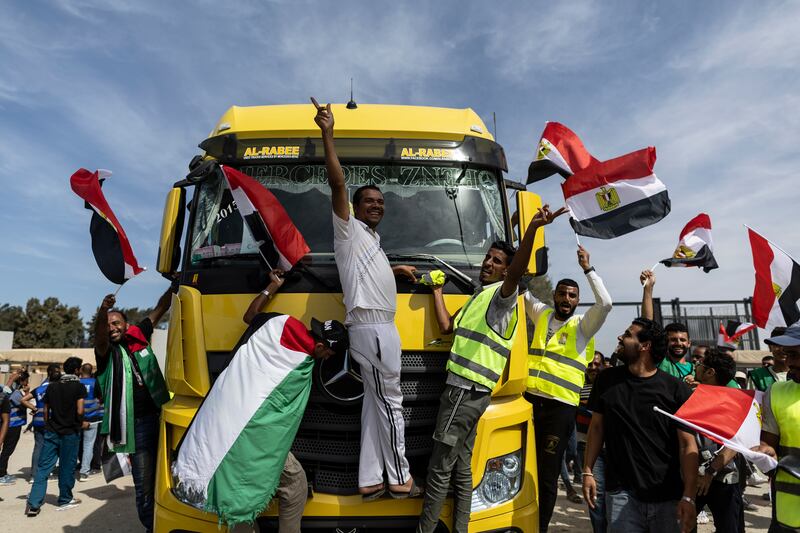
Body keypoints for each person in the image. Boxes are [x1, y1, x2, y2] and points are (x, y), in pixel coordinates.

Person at [417, 205, 566, 533]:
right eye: (488, 258)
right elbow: (446, 328)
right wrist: (437, 290)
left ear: (505, 271)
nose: (489, 263)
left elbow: (516, 273)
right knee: (462, 468)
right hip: (469, 392)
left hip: (464, 389)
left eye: (497, 261)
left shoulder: (502, 298)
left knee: (439, 468)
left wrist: (532, 229)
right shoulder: (478, 298)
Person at [174, 268, 347, 531]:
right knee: (293, 481)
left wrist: (272, 287)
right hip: (253, 434)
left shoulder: (278, 323)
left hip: (224, 416)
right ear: (323, 347)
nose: (327, 360)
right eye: (329, 355)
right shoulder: (302, 364)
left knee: (238, 474)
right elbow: (279, 412)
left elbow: (249, 315)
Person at [312, 97, 420, 498]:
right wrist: (328, 133)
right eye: (369, 202)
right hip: (372, 329)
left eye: (380, 202)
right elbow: (337, 182)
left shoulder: (372, 241)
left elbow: (365, 274)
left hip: (381, 327)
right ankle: (401, 478)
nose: (376, 206)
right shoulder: (348, 231)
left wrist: (396, 271)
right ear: (354, 209)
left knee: (375, 408)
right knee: (392, 402)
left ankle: (371, 479)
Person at [582, 318, 698, 533]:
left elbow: (687, 445)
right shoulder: (606, 380)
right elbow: (597, 428)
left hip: (667, 497)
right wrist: (587, 472)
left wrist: (688, 496)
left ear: (645, 346)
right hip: (620, 494)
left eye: (628, 334)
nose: (620, 338)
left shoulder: (675, 389)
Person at [525, 245, 612, 531]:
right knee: (523, 468)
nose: (566, 298)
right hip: (528, 403)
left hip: (559, 410)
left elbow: (606, 304)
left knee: (548, 476)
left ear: (578, 300)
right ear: (554, 295)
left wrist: (588, 269)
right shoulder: (542, 315)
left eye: (572, 295)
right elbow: (519, 291)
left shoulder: (582, 327)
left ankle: (539, 527)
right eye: (561, 293)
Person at [93, 285, 172, 531]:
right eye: (108, 324)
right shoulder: (105, 352)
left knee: (170, 477)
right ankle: (152, 527)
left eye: (116, 322)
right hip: (136, 426)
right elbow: (99, 336)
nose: (112, 327)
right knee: (145, 485)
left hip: (161, 418)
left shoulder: (139, 336)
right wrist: (103, 311)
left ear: (126, 325)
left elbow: (161, 308)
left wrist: (176, 282)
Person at [25, 356, 87, 516]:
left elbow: (46, 410)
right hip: (70, 433)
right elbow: (80, 410)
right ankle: (65, 498)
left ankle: (34, 503)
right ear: (76, 370)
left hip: (52, 431)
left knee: (43, 468)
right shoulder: (78, 387)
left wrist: (48, 425)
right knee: (67, 467)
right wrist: (81, 423)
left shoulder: (52, 387)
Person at [693, 348, 745, 532]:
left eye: (699, 364)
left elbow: (736, 444)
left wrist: (710, 472)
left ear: (710, 372)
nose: (695, 366)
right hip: (692, 479)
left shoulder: (734, 404)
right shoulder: (688, 397)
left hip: (725, 479)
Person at [755, 325, 800, 532]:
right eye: (788, 355)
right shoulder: (776, 392)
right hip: (787, 515)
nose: (789, 362)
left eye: (796, 355)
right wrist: (764, 452)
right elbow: (769, 444)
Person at [640, 270, 696, 387]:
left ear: (689, 343)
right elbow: (646, 325)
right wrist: (648, 288)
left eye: (683, 340)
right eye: (673, 339)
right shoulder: (659, 361)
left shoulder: (697, 370)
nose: (678, 343)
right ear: (665, 341)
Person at [576, 351, 606, 533]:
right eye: (590, 365)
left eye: (597, 364)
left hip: (606, 446)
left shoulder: (609, 385)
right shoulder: (580, 385)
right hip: (583, 443)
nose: (593, 368)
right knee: (595, 494)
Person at [26, 364, 61, 483]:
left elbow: (23, 399)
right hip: (50, 422)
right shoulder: (55, 388)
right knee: (51, 448)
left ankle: (33, 475)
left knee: (38, 447)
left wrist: (34, 408)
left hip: (37, 421)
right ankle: (47, 473)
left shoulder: (39, 389)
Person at [0, 370, 33, 484]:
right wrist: (28, 395)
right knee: (7, 450)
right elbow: (23, 403)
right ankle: (1, 474)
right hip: (13, 426)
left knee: (5, 450)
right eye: (27, 380)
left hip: (8, 425)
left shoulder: (11, 392)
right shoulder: (16, 394)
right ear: (22, 381)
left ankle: (3, 471)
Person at [78, 363, 103, 481]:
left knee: (77, 444)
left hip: (78, 417)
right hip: (93, 417)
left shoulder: (77, 383)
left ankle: (74, 466)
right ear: (91, 370)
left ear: (81, 370)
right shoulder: (95, 382)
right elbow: (101, 398)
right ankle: (84, 471)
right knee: (89, 445)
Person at [748, 327, 789, 391]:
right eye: (777, 344)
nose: (782, 349)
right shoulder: (757, 376)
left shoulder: (797, 374)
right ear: (770, 347)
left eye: (786, 344)